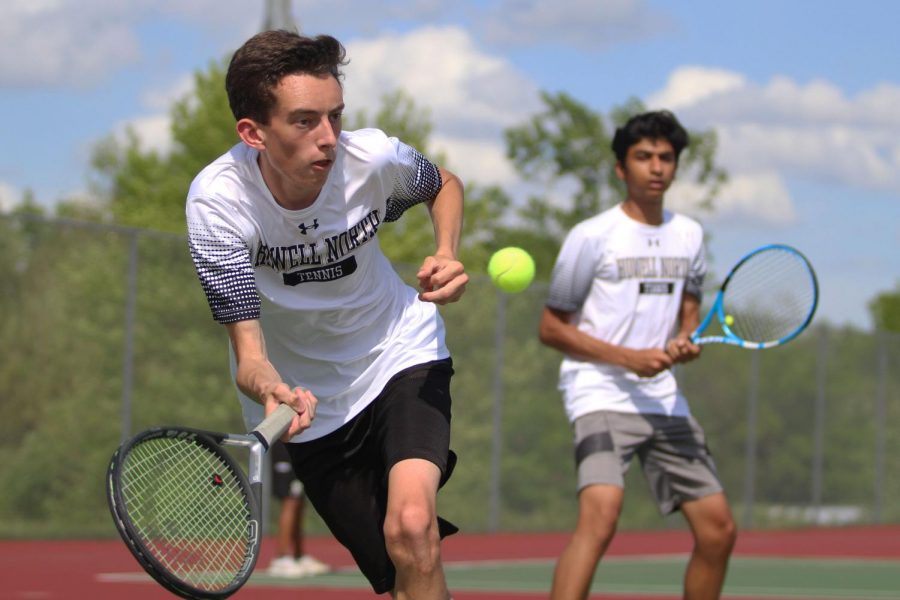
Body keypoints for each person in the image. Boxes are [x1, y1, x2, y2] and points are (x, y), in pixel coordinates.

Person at [185, 30, 468, 600]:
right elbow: (249, 358)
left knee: (413, 527)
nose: (329, 138)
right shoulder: (219, 204)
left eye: (335, 117)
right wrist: (273, 388)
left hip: (399, 352)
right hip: (309, 406)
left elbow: (442, 184)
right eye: (304, 121)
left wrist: (445, 252)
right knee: (396, 578)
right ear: (253, 132)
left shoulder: (371, 160)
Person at [538, 110, 737, 600]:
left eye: (666, 158)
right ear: (621, 168)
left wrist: (686, 339)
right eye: (644, 157)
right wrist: (629, 359)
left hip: (663, 398)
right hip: (599, 391)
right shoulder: (591, 236)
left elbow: (689, 309)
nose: (656, 167)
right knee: (601, 517)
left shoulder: (689, 235)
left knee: (718, 530)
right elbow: (551, 328)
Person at [266, 440, 331, 578]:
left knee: (299, 500)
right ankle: (281, 558)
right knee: (290, 500)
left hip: (302, 446)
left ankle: (298, 556)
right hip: (286, 445)